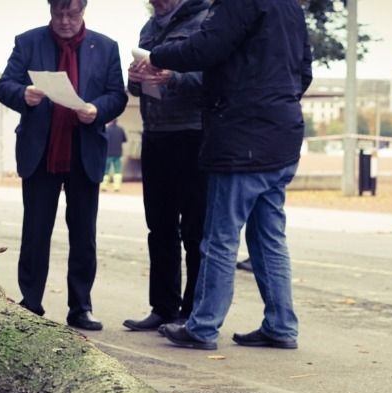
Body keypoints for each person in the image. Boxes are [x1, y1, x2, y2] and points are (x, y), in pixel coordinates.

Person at [150, 0, 312, 350]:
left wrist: (156, 56)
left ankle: (203, 326)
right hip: (282, 135)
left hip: (242, 138)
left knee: (220, 238)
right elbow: (305, 71)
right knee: (269, 237)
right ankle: (281, 325)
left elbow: (206, 47)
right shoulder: (292, 8)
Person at [0, 0, 128, 331]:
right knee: (35, 231)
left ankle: (80, 307)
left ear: (84, 11)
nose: (65, 21)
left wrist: (97, 110)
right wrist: (23, 94)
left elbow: (118, 95)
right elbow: (4, 85)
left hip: (85, 152)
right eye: (58, 14)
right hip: (41, 153)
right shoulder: (28, 42)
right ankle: (31, 302)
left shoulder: (106, 47)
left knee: (84, 235)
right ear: (50, 11)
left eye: (72, 14)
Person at [122, 0, 209, 332]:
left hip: (192, 134)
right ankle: (163, 307)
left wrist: (172, 77)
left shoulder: (203, 21)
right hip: (155, 133)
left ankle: (193, 311)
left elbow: (209, 78)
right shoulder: (149, 27)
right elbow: (141, 86)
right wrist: (134, 80)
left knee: (195, 230)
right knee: (158, 227)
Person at [103, 119, 126, 191]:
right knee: (117, 171)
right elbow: (124, 140)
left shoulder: (106, 129)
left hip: (107, 153)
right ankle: (117, 187)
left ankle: (103, 186)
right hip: (118, 154)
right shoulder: (121, 129)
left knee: (105, 171)